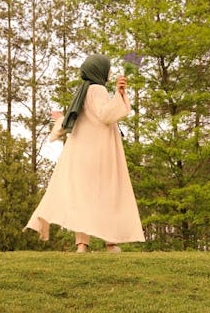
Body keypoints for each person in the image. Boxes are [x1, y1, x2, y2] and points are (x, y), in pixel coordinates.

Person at [24, 54, 145, 253]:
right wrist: (120, 94)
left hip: (82, 154)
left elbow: (71, 123)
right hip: (99, 153)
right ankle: (111, 242)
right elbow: (106, 115)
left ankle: (82, 244)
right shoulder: (97, 90)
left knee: (84, 196)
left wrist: (61, 118)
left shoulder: (83, 91)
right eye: (108, 69)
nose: (111, 72)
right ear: (99, 71)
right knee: (108, 193)